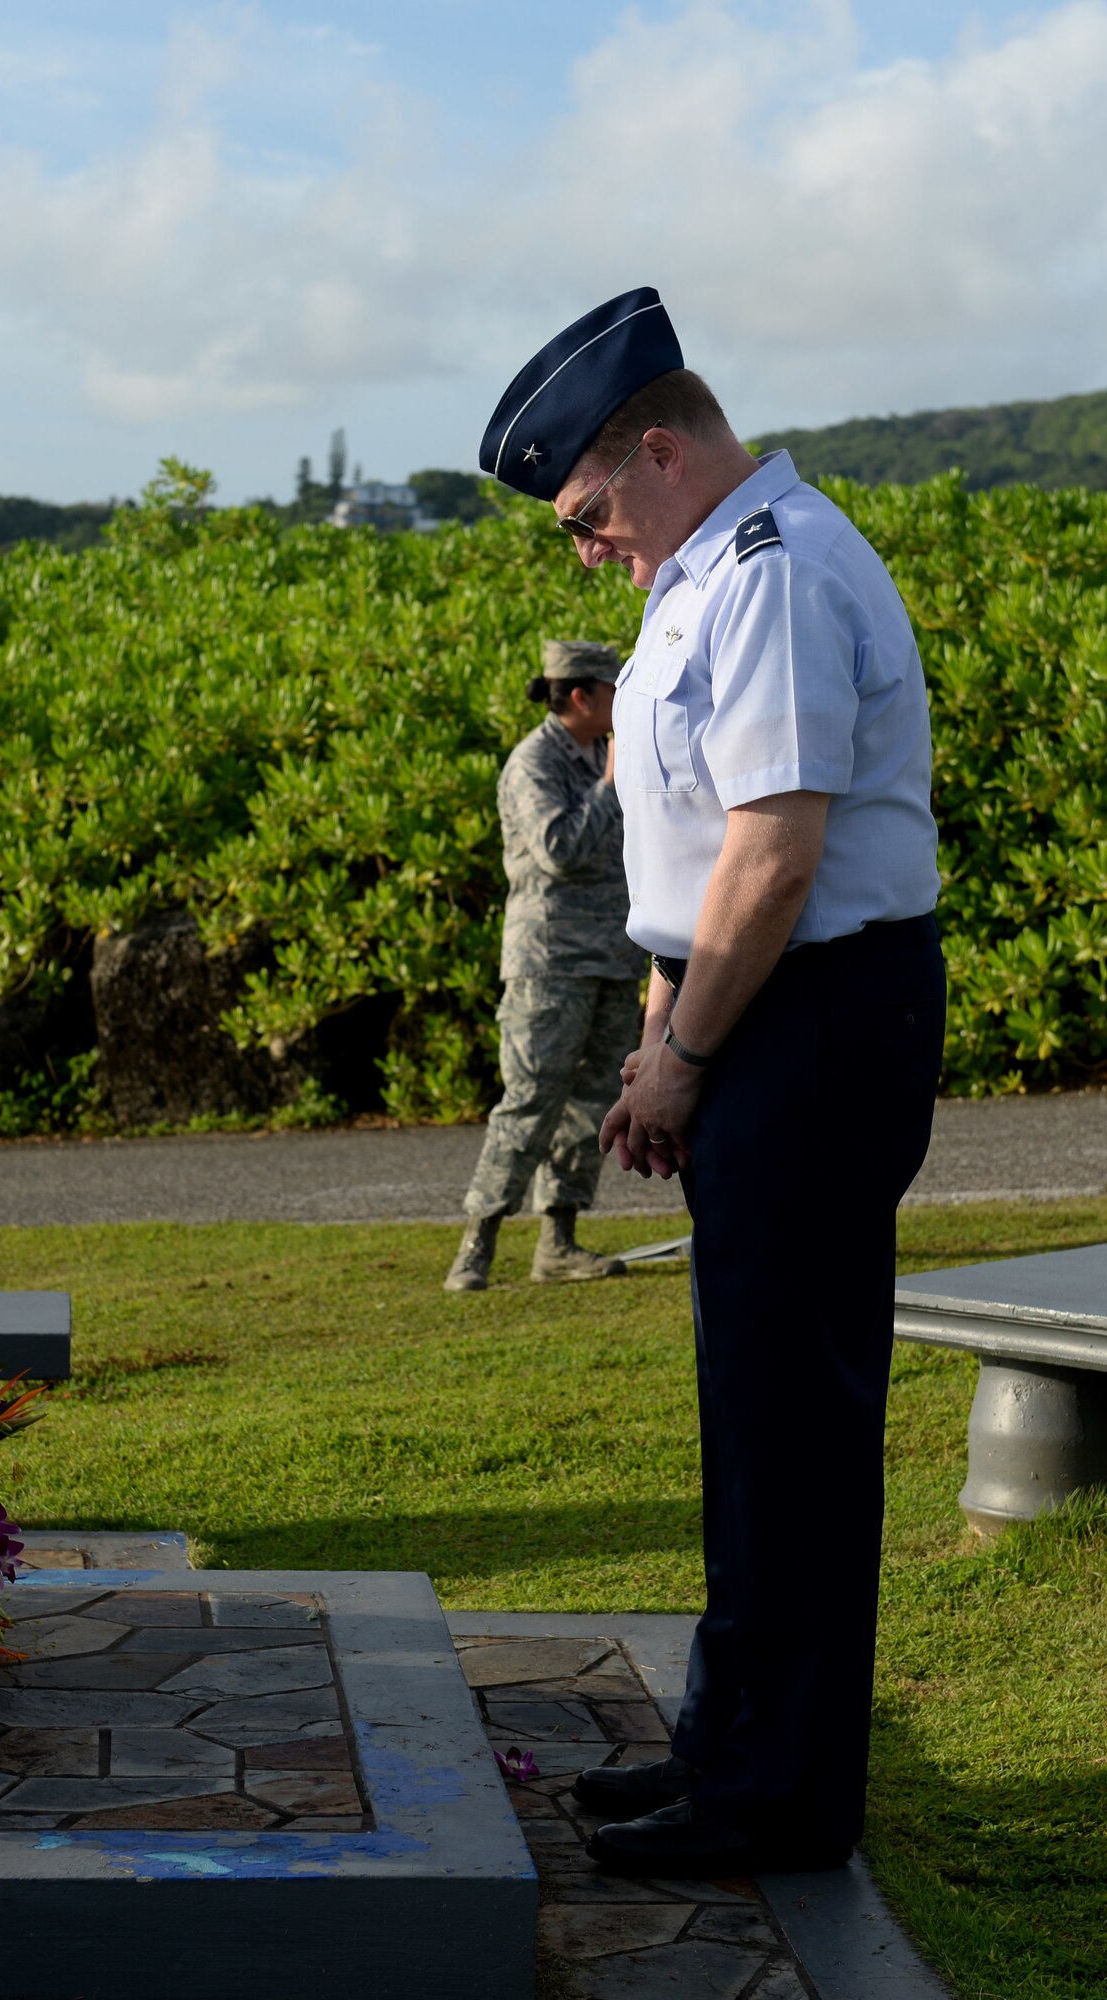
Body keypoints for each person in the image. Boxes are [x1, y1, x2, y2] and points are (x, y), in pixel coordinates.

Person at [477, 287, 944, 1877]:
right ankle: (728, 1750)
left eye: (589, 514)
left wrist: (679, 1053)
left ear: (659, 451)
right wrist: (666, 1017)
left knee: (793, 1430)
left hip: (812, 1016)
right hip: (756, 1009)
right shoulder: (702, 576)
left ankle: (779, 1805)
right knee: (748, 1422)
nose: (588, 549)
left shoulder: (777, 575)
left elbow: (777, 850)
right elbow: (695, 840)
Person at [444, 639, 644, 1292]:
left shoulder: (597, 752)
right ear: (582, 695)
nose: (622, 700)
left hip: (612, 958)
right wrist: (611, 789)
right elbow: (558, 849)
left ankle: (557, 1242)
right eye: (613, 689)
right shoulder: (534, 762)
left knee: (590, 1104)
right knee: (530, 1099)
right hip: (549, 964)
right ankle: (478, 1245)